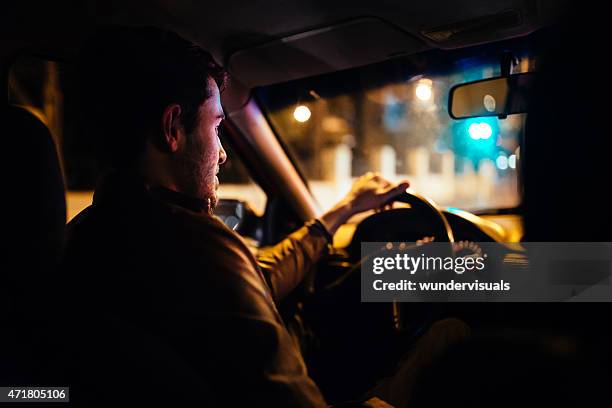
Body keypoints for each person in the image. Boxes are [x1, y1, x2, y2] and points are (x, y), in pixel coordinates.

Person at [61, 26, 466, 407]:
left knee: (392, 269)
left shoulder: (87, 235)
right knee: (451, 335)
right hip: (306, 362)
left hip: (295, 335)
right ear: (172, 128)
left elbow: (258, 278)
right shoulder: (194, 244)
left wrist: (340, 212)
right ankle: (529, 274)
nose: (221, 153)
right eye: (217, 127)